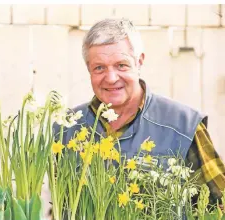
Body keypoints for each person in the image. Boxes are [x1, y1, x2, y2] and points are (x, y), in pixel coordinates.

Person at [56, 18, 225, 201]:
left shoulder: (184, 126)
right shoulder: (67, 128)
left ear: (139, 62)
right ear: (88, 69)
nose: (111, 78)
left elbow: (219, 205)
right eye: (99, 68)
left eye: (121, 65)